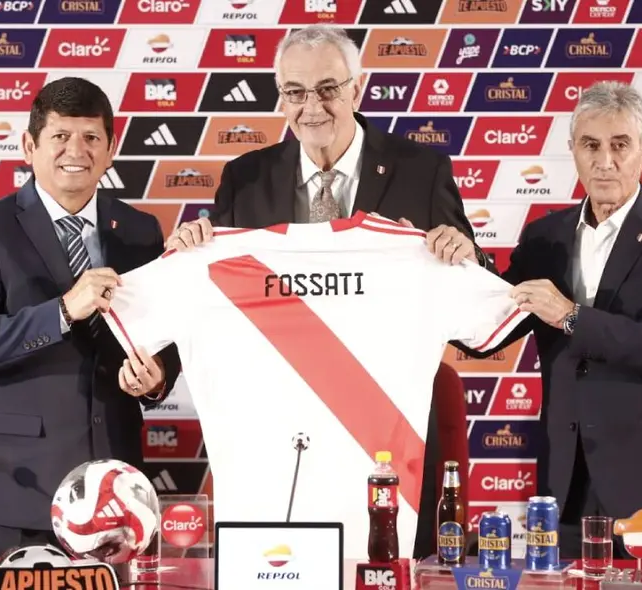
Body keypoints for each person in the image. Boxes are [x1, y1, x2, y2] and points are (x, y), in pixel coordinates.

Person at [168, 24, 486, 558]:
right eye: (295, 92)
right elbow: (218, 306)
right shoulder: (244, 179)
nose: (311, 106)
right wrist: (192, 249)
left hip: (384, 428)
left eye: (328, 89)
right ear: (280, 97)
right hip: (277, 432)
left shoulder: (421, 171)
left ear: (357, 89)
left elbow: (469, 298)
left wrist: (465, 257)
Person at [0, 77, 181, 557]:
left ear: (111, 148)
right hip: (13, 489)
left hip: (116, 490)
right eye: (60, 137)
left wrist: (157, 379)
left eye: (92, 137)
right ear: (30, 146)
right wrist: (64, 310)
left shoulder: (139, 230)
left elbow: (162, 343)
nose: (77, 150)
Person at [483, 81, 642, 559]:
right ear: (572, 150)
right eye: (590, 145)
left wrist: (571, 316)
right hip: (566, 488)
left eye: (620, 145)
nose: (604, 160)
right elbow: (494, 324)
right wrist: (445, 264)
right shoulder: (544, 237)